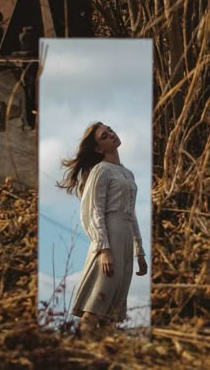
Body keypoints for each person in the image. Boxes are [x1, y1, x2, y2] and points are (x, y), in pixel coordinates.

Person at [56, 121, 148, 334]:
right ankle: (73, 354)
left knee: (111, 315)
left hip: (125, 240)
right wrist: (104, 249)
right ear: (98, 148)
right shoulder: (101, 170)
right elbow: (93, 210)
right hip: (109, 239)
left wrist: (139, 252)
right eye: (104, 136)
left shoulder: (128, 174)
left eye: (110, 130)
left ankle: (99, 358)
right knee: (95, 306)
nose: (111, 135)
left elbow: (131, 214)